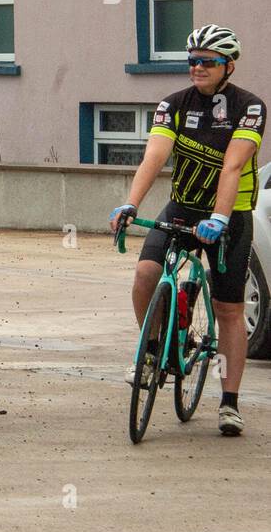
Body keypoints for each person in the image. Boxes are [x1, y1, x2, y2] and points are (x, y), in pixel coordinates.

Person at [109, 25, 263, 436]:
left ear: (228, 66)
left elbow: (231, 166)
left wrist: (222, 218)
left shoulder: (249, 106)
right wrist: (131, 203)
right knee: (145, 274)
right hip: (181, 207)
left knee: (229, 310)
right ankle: (154, 348)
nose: (196, 67)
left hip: (228, 214)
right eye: (191, 60)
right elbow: (154, 157)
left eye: (206, 62)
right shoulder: (173, 104)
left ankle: (229, 403)